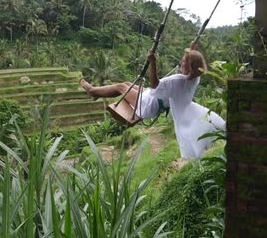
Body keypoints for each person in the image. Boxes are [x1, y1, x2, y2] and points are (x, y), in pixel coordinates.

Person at [80, 42, 225, 158]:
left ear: (189, 66)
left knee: (121, 87)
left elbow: (155, 84)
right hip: (155, 100)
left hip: (148, 105)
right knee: (127, 84)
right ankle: (97, 93)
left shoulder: (178, 80)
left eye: (184, 61)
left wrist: (153, 62)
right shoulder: (195, 78)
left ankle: (93, 91)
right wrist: (191, 50)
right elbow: (188, 66)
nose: (181, 62)